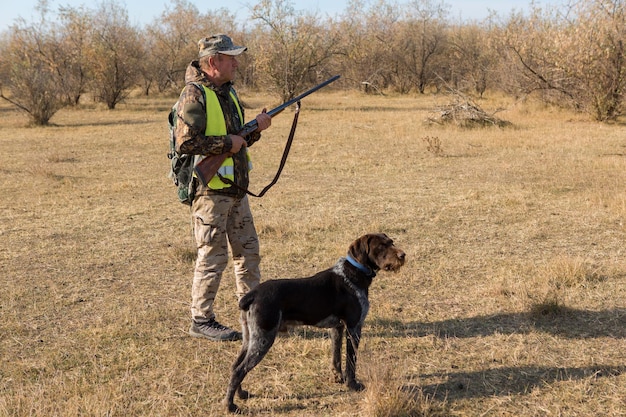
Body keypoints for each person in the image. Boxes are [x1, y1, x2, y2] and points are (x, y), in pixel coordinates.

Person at [174, 34, 271, 341]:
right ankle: (201, 320)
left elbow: (236, 138)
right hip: (210, 192)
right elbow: (186, 142)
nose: (236, 63)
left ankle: (254, 316)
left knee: (248, 253)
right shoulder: (194, 94)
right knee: (213, 257)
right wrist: (230, 142)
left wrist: (256, 128)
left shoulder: (227, 93)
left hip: (235, 190)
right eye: (231, 58)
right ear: (213, 62)